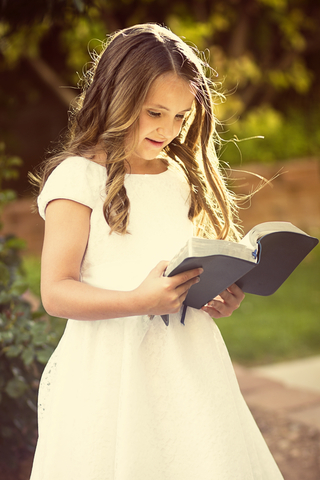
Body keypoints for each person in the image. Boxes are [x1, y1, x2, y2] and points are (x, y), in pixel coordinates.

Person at [30, 23, 283, 480]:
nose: (169, 129)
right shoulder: (77, 178)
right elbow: (56, 292)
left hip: (188, 364)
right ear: (116, 98)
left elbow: (181, 269)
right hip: (111, 371)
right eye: (155, 113)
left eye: (182, 117)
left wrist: (213, 292)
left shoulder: (178, 176)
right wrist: (138, 301)